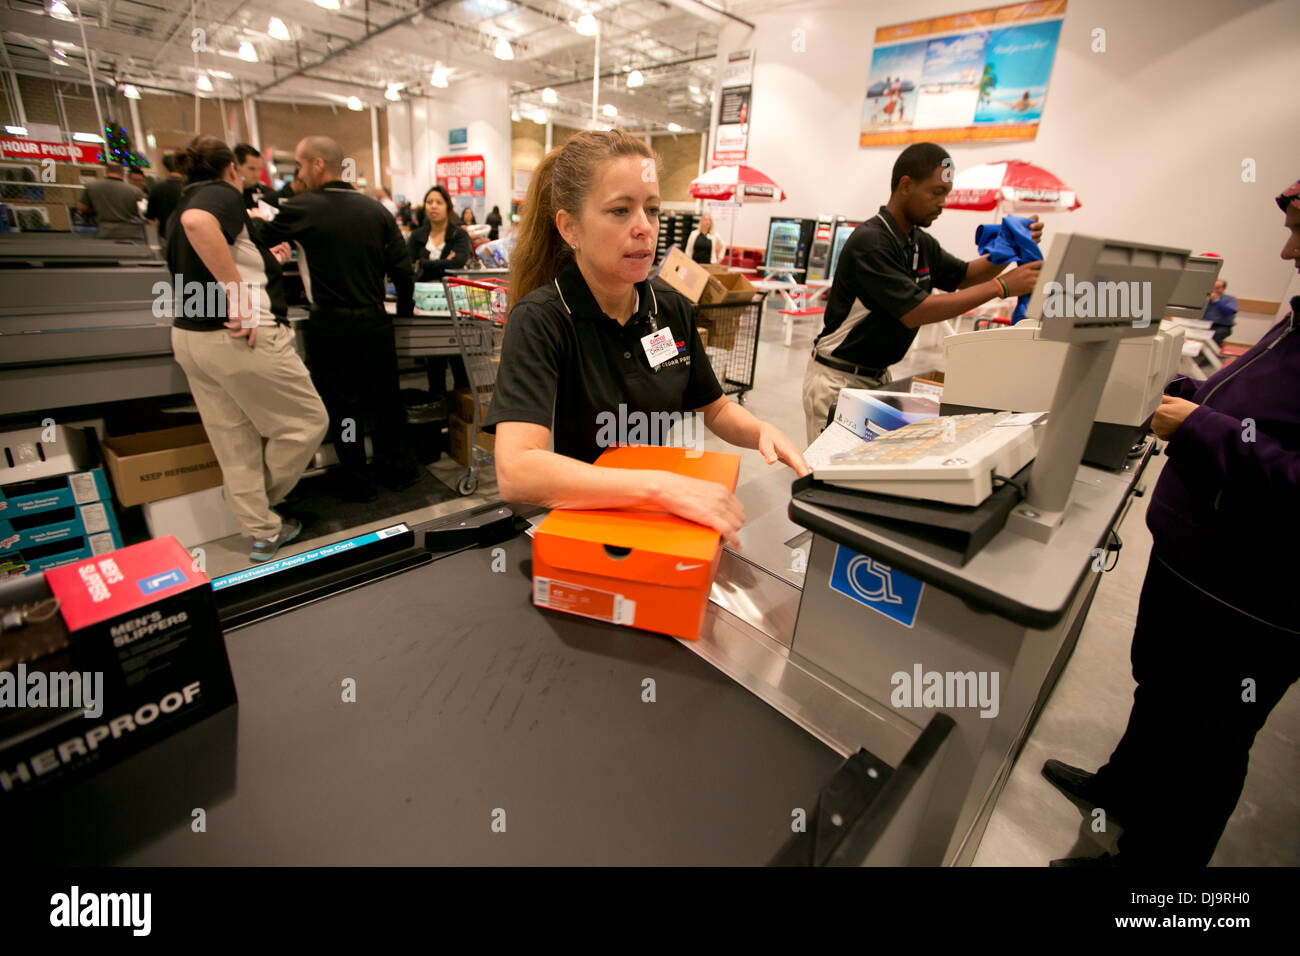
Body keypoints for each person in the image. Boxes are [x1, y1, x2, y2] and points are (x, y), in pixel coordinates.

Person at [1042, 180, 1300, 867]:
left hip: (1255, 595)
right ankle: (1121, 793)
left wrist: (1203, 428)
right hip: (1195, 561)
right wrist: (1191, 394)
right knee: (1158, 687)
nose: (1287, 247)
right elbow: (1260, 407)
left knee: (1211, 737)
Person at [484, 130, 808, 548]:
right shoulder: (542, 320)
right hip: (577, 525)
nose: (644, 228)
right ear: (570, 228)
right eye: (620, 211)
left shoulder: (670, 309)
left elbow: (716, 407)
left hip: (650, 521)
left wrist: (760, 430)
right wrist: (661, 487)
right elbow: (516, 470)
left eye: (652, 210)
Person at [801, 142, 1043, 444]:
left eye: (947, 194)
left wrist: (1011, 247)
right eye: (936, 192)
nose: (943, 203)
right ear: (906, 185)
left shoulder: (919, 243)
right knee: (828, 475)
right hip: (838, 379)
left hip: (875, 378)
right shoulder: (872, 242)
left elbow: (964, 276)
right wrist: (1003, 286)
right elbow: (917, 311)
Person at [165, 136, 328, 562]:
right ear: (232, 170)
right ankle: (255, 501)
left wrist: (264, 258)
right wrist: (240, 300)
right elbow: (200, 224)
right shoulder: (218, 195)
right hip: (237, 338)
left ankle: (262, 530)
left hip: (191, 336)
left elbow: (207, 247)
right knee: (307, 422)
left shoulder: (179, 203)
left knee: (233, 438)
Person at [255, 135, 421, 502]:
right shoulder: (376, 210)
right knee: (385, 401)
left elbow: (257, 241)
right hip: (374, 323)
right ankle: (398, 470)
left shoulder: (302, 208)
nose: (298, 174)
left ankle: (356, 478)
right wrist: (405, 311)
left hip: (330, 326)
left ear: (318, 164)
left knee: (345, 408)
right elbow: (403, 271)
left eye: (300, 165)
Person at [407, 185, 471, 281]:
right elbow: (408, 264)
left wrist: (422, 263)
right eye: (429, 202)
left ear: (447, 207)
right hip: (420, 291)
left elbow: (458, 262)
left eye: (439, 203)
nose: (433, 206)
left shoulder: (459, 234)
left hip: (450, 292)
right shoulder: (416, 235)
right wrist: (445, 262)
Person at [76, 163, 145, 240]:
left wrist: (98, 208)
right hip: (132, 233)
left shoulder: (91, 186)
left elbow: (81, 207)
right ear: (122, 173)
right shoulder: (135, 191)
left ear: (106, 172)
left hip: (105, 232)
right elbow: (144, 213)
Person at [145, 151, 184, 242]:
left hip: (166, 236)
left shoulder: (156, 188)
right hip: (188, 237)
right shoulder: (188, 186)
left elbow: (151, 218)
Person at [234, 143, 277, 209]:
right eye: (252, 169)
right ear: (237, 166)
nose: (257, 174)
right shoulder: (226, 194)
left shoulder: (268, 194)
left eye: (260, 169)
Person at [1204, 278, 1239, 346]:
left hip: (1221, 326)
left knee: (1215, 337)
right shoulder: (1204, 298)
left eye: (1217, 288)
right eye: (1212, 288)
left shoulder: (1230, 299)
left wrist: (1216, 301)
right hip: (1203, 324)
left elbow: (1229, 312)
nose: (1214, 290)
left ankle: (1208, 355)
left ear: (1223, 289)